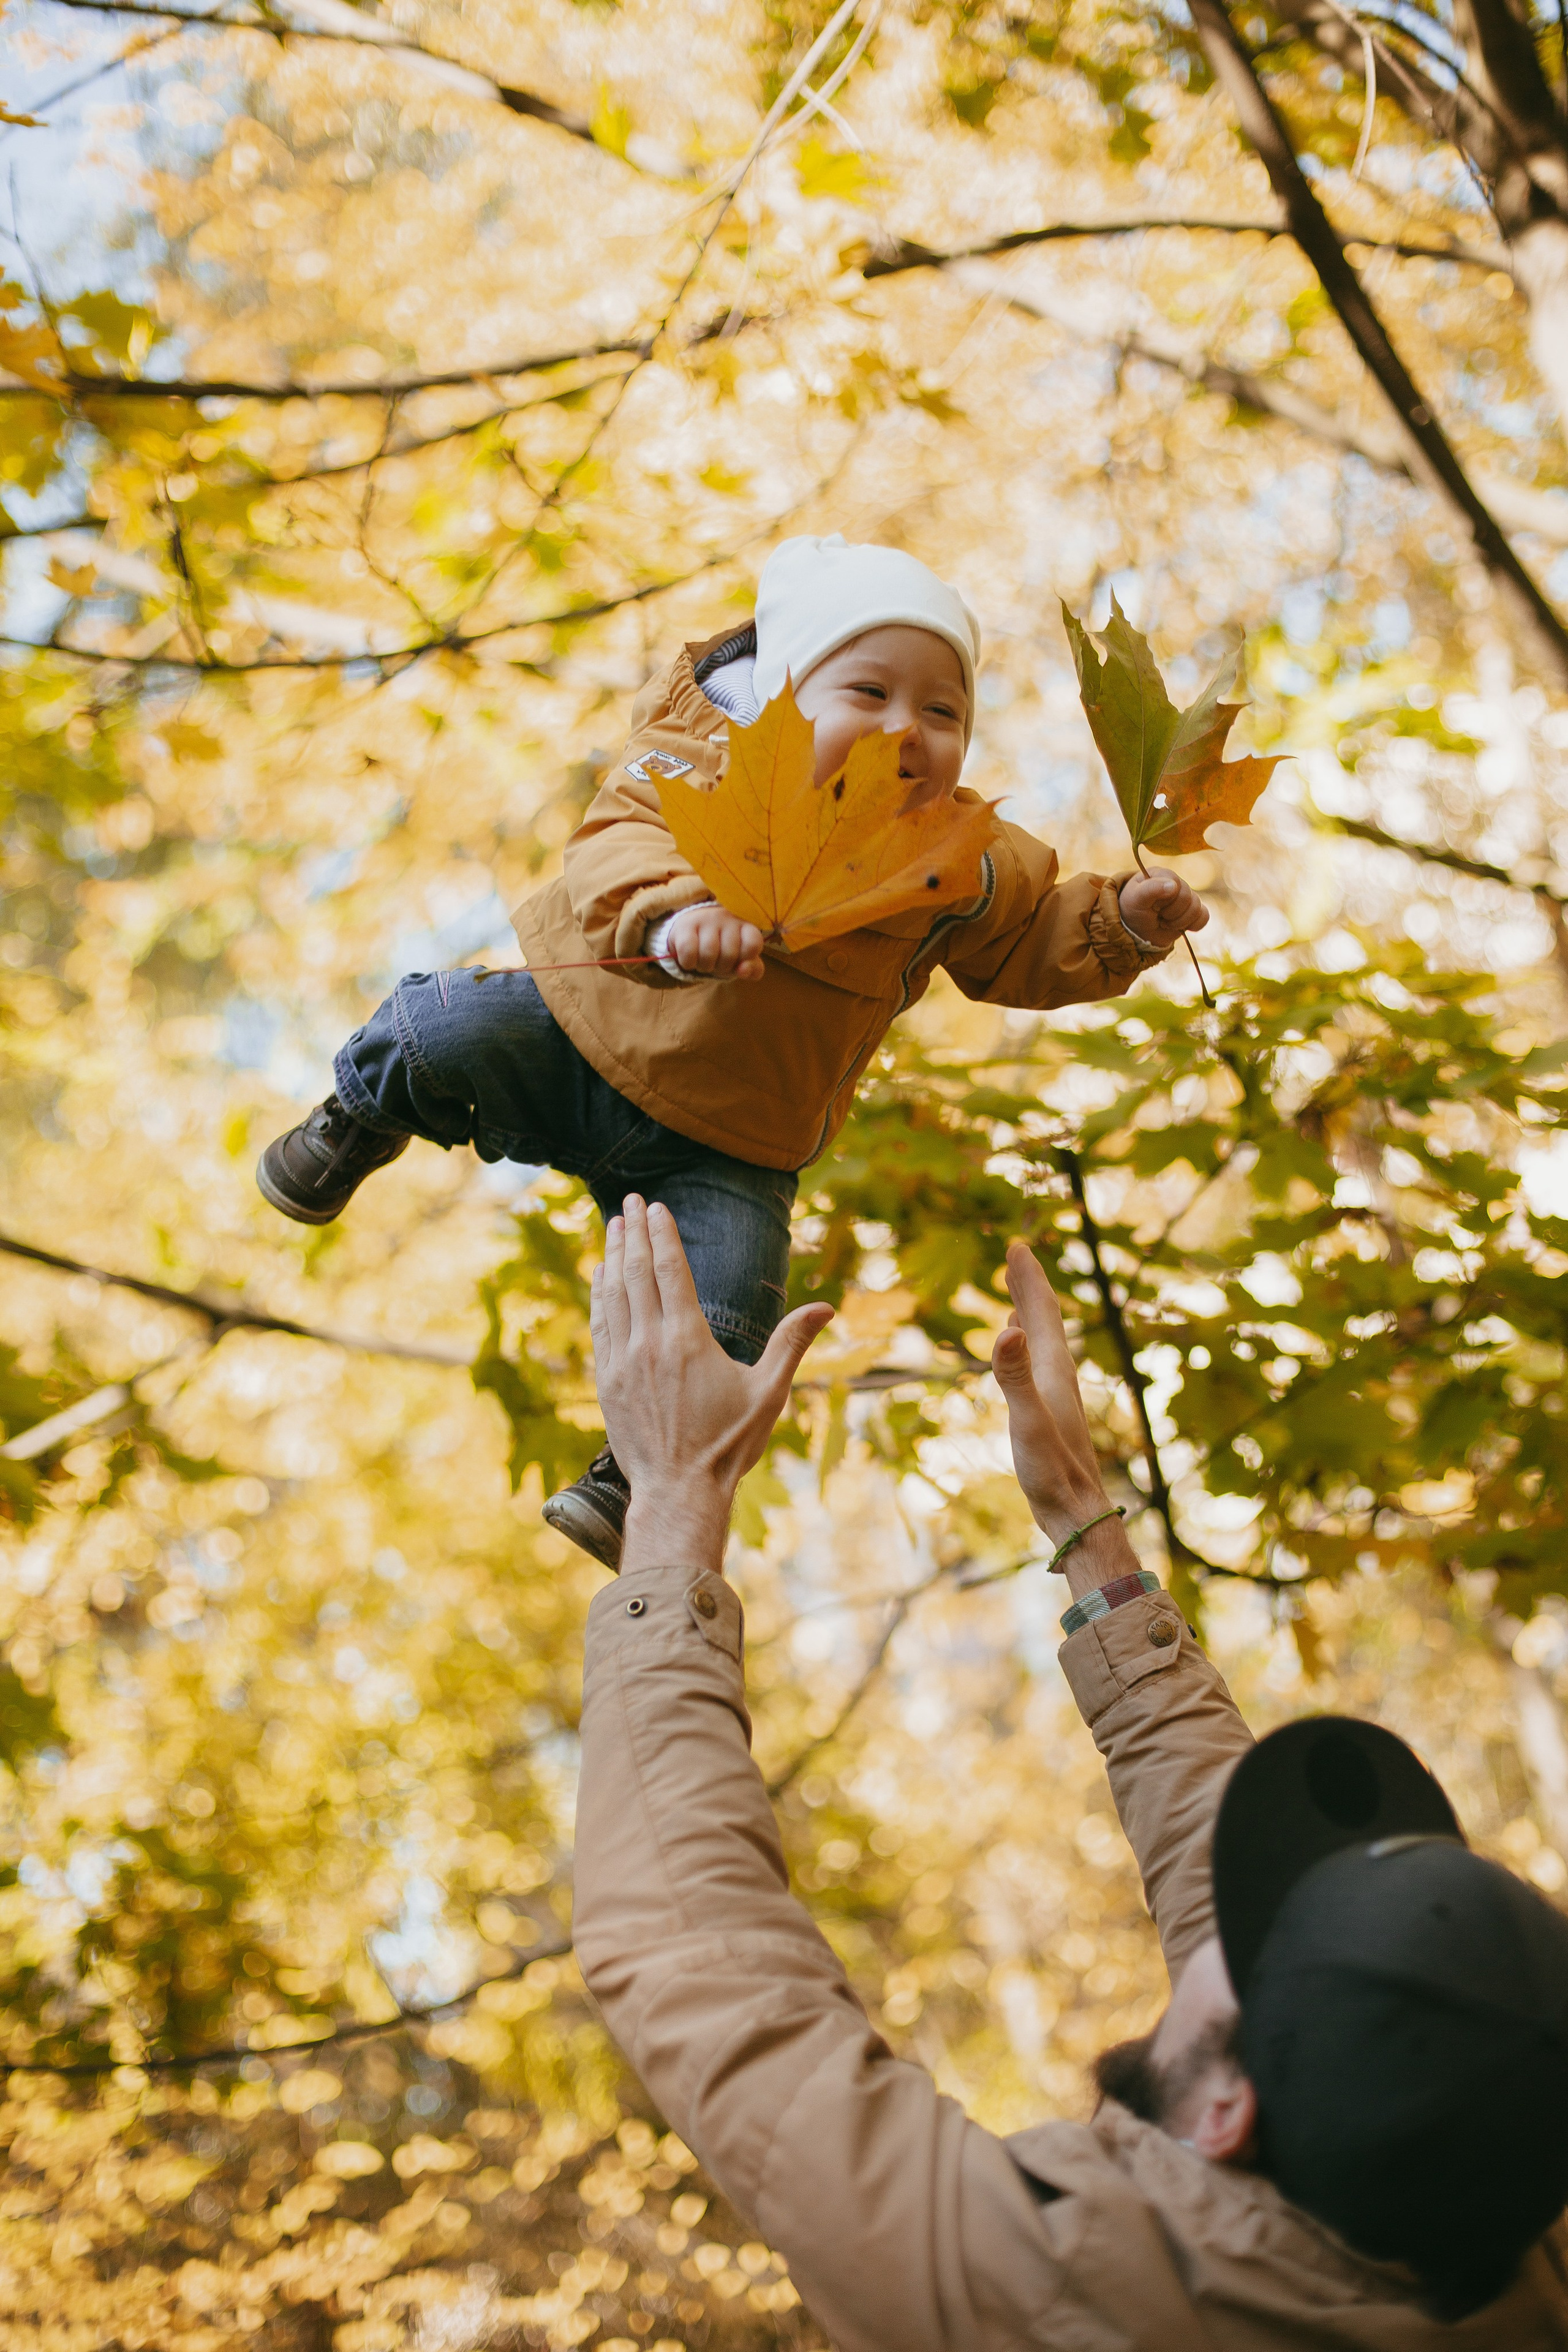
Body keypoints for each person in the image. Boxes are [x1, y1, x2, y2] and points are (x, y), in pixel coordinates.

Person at [573, 1193, 1568, 2348]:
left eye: (1257, 1941)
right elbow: (1232, 1906)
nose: (1230, 1908)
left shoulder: (1048, 2291)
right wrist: (1088, 1529)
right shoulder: (1510, 2243)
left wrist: (676, 1496)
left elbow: (698, 1959)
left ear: (1231, 2110)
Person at [255, 535, 1210, 1570]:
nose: (908, 729)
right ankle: (354, 1120)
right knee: (437, 1027)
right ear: (787, 695)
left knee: (736, 1307)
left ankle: (642, 1473)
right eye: (871, 691)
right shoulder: (700, 761)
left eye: (944, 711)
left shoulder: (961, 866)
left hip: (731, 1147)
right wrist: (671, 921)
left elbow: (1030, 944)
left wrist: (1128, 923)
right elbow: (614, 842)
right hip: (588, 1040)